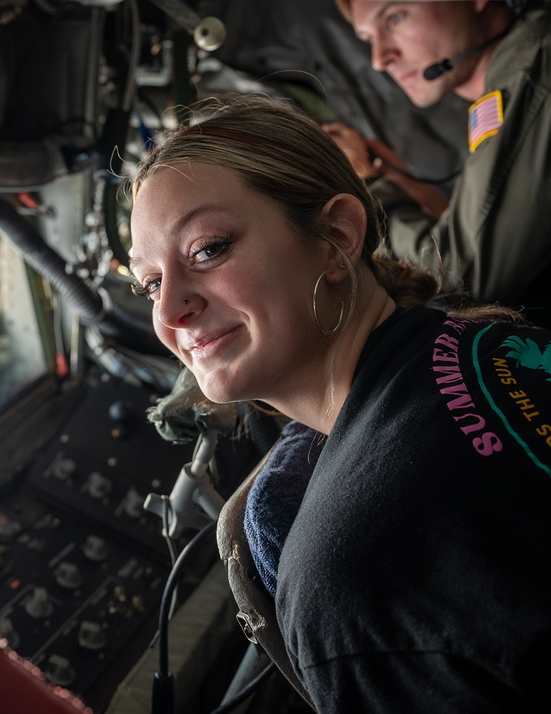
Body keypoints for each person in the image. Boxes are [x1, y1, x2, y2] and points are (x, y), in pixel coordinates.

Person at [126, 92, 551, 713]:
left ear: (336, 236)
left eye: (208, 249)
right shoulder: (487, 339)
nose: (168, 311)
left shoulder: (349, 580)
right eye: (151, 282)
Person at [325, 0, 551, 327]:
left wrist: (366, 189)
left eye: (395, 17)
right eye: (369, 39)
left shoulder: (530, 67)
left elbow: (461, 279)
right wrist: (407, 189)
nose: (379, 59)